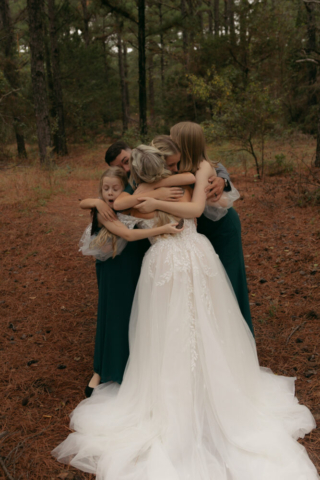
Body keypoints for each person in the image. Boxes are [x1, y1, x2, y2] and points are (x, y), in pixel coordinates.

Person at [53, 145, 318, 480]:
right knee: (185, 323)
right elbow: (184, 195)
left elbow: (126, 203)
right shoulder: (184, 184)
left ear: (135, 171)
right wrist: (133, 196)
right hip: (191, 257)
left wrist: (152, 196)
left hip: (169, 262)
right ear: (161, 166)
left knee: (184, 325)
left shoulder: (147, 194)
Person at [115, 130, 254, 335]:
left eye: (176, 163)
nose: (176, 168)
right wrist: (154, 192)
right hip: (180, 248)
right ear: (158, 162)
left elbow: (204, 172)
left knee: (219, 295)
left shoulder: (181, 178)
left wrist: (155, 194)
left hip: (212, 232)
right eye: (170, 165)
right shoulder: (154, 182)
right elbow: (119, 202)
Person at [80, 157, 195, 395]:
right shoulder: (105, 209)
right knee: (112, 313)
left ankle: (135, 365)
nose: (110, 193)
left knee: (139, 313)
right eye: (105, 189)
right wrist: (96, 201)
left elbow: (175, 183)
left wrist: (159, 191)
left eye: (115, 188)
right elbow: (128, 232)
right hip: (114, 264)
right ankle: (101, 370)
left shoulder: (132, 193)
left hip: (138, 262)